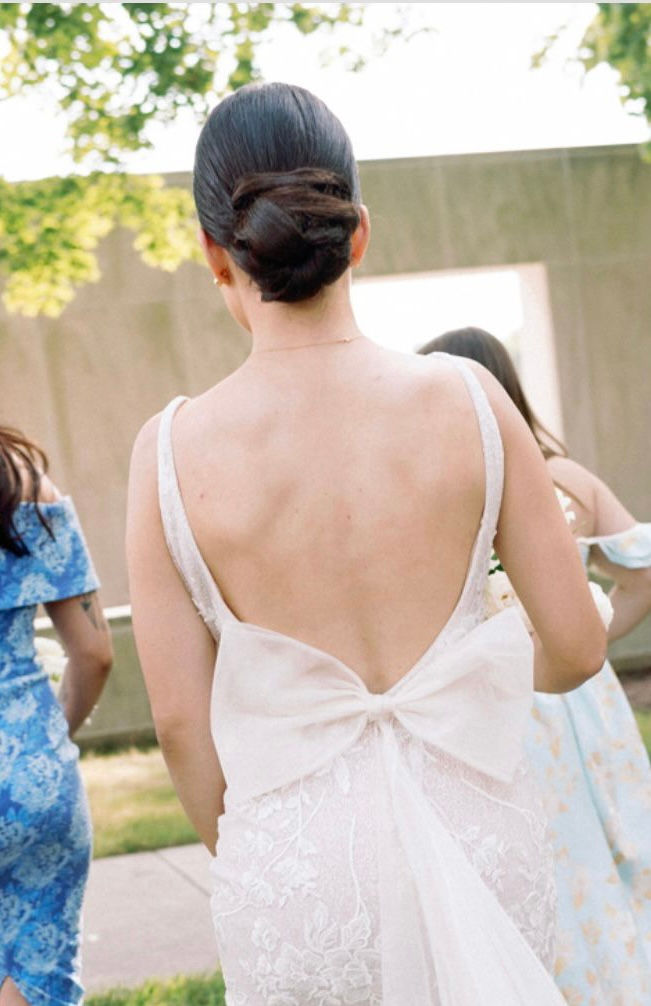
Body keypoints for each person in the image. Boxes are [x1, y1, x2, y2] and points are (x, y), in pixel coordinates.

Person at [126, 82, 607, 1005]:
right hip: (476, 830)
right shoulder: (470, 399)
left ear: (213, 253)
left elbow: (183, 725)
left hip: (298, 866)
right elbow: (579, 649)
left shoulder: (170, 451)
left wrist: (257, 858)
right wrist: (476, 675)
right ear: (357, 233)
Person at [420, 326, 651, 1004]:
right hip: (585, 692)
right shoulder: (564, 479)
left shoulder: (446, 491)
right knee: (617, 848)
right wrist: (591, 635)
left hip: (499, 702)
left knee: (543, 863)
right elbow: (640, 576)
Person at [0, 427, 113, 1006]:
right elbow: (94, 654)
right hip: (31, 772)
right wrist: (42, 743)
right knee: (35, 980)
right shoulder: (23, 486)